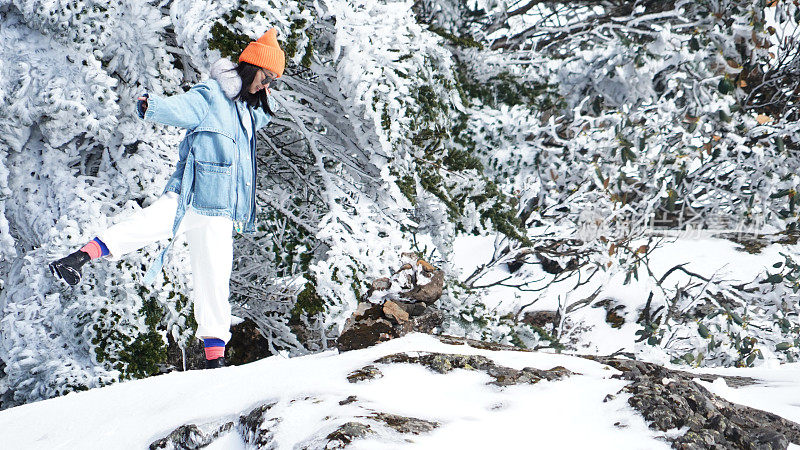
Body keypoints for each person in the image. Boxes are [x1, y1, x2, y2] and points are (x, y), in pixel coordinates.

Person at [48, 28, 286, 370]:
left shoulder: (249, 113)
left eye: (273, 81)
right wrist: (154, 106)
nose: (267, 86)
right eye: (266, 77)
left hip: (220, 213)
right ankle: (76, 259)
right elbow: (183, 107)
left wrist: (263, 84)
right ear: (251, 68)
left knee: (215, 282)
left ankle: (214, 360)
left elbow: (268, 107)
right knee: (142, 226)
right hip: (190, 197)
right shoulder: (211, 96)